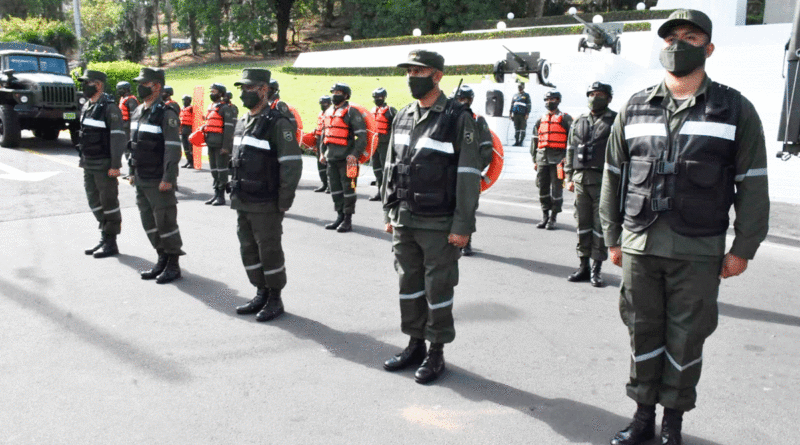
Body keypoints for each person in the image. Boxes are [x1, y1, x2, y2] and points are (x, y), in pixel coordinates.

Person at [599, 10, 769, 445]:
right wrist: (612, 238)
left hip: (698, 249)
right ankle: (642, 419)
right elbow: (612, 177)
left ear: (708, 48)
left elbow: (752, 183)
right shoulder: (634, 107)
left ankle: (673, 422)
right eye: (671, 37)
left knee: (686, 338)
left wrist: (743, 248)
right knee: (642, 331)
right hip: (639, 244)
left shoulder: (735, 109)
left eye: (689, 36)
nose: (678, 43)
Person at [381, 50, 482, 384]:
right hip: (404, 217)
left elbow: (468, 174)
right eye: (409, 70)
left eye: (419, 70)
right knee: (408, 286)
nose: (412, 76)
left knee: (437, 289)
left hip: (439, 223)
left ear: (437, 75)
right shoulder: (404, 114)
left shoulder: (457, 117)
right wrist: (389, 209)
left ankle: (436, 351)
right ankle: (414, 344)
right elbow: (390, 167)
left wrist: (463, 226)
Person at [230, 68, 303, 322]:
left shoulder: (277, 122)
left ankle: (274, 297)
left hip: (266, 201)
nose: (244, 93)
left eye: (249, 88)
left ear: (264, 89)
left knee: (269, 250)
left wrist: (284, 200)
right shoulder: (242, 121)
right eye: (242, 88)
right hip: (243, 199)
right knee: (248, 249)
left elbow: (291, 163)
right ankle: (260, 292)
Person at [129, 67, 184, 284]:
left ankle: (173, 263)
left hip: (158, 179)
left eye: (145, 84)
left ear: (157, 86)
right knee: (148, 221)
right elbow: (133, 145)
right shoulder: (137, 111)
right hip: (141, 177)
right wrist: (132, 171)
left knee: (165, 222)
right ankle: (161, 257)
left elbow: (172, 148)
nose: (140, 87)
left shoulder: (166, 114)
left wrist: (168, 178)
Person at [564, 82, 616, 287]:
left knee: (599, 227)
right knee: (581, 225)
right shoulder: (578, 121)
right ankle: (583, 266)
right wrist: (568, 176)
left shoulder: (616, 120)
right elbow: (570, 149)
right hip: (580, 181)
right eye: (592, 94)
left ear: (609, 98)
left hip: (604, 182)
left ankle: (596, 269)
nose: (595, 97)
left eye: (600, 94)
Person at [77, 70, 126, 258]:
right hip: (88, 162)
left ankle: (111, 241)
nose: (84, 85)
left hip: (104, 164)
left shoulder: (109, 108)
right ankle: (104, 235)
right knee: (93, 201)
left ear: (98, 85)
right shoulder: (88, 105)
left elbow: (117, 138)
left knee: (109, 203)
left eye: (87, 82)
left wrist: (115, 165)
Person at [320, 82, 367, 233]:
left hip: (349, 160)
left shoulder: (351, 112)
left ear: (346, 95)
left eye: (339, 92)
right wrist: (322, 153)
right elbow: (324, 134)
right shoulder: (328, 112)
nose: (335, 95)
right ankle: (339, 216)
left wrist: (354, 155)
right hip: (331, 159)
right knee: (335, 189)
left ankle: (348, 220)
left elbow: (362, 136)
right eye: (334, 92)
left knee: (349, 188)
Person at [453, 85, 494, 257]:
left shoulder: (478, 120)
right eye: (459, 99)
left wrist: (476, 168)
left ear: (471, 101)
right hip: (450, 172)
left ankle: (467, 242)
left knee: (468, 206)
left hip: (469, 174)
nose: (462, 102)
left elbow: (486, 149)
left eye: (465, 99)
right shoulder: (448, 119)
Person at [531, 90, 572, 230]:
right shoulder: (540, 119)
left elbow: (572, 140)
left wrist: (567, 157)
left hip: (558, 159)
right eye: (547, 99)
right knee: (542, 187)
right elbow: (534, 141)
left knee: (556, 189)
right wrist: (534, 159)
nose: (550, 102)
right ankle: (545, 215)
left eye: (553, 99)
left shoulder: (566, 118)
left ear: (558, 101)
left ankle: (554, 217)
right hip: (542, 158)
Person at [203, 83, 235, 206]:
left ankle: (221, 196)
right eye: (211, 91)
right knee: (214, 170)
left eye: (214, 91)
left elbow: (229, 129)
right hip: (211, 144)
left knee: (222, 171)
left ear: (221, 94)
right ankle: (216, 193)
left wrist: (226, 147)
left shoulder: (225, 108)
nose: (212, 93)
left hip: (221, 145)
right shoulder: (211, 107)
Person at [369, 87, 397, 201]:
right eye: (375, 97)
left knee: (386, 169)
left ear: (384, 97)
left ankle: (389, 193)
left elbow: (397, 126)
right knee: (376, 169)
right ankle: (380, 192)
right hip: (374, 144)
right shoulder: (372, 111)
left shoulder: (390, 110)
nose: (377, 99)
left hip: (386, 144)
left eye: (379, 97)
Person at [314, 95, 332, 193]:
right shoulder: (321, 113)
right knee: (320, 163)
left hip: (327, 140)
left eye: (325, 103)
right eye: (321, 103)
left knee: (328, 163)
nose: (323, 105)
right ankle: (324, 184)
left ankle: (330, 185)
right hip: (319, 140)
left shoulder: (332, 114)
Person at [179, 95, 195, 168]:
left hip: (189, 128)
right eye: (183, 100)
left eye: (185, 100)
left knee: (190, 146)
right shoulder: (182, 109)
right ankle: (188, 161)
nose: (183, 101)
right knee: (185, 147)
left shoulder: (191, 108)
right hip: (183, 129)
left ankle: (192, 162)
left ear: (189, 100)